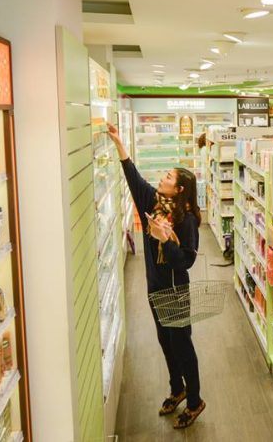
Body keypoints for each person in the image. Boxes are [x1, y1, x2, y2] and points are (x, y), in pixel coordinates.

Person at [107, 122, 205, 429]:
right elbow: (134, 179)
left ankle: (195, 400)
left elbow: (186, 261)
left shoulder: (186, 220)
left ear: (178, 190)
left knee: (182, 345)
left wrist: (166, 241)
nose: (161, 178)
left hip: (175, 291)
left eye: (168, 177)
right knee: (165, 340)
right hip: (154, 288)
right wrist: (118, 143)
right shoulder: (153, 204)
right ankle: (177, 388)